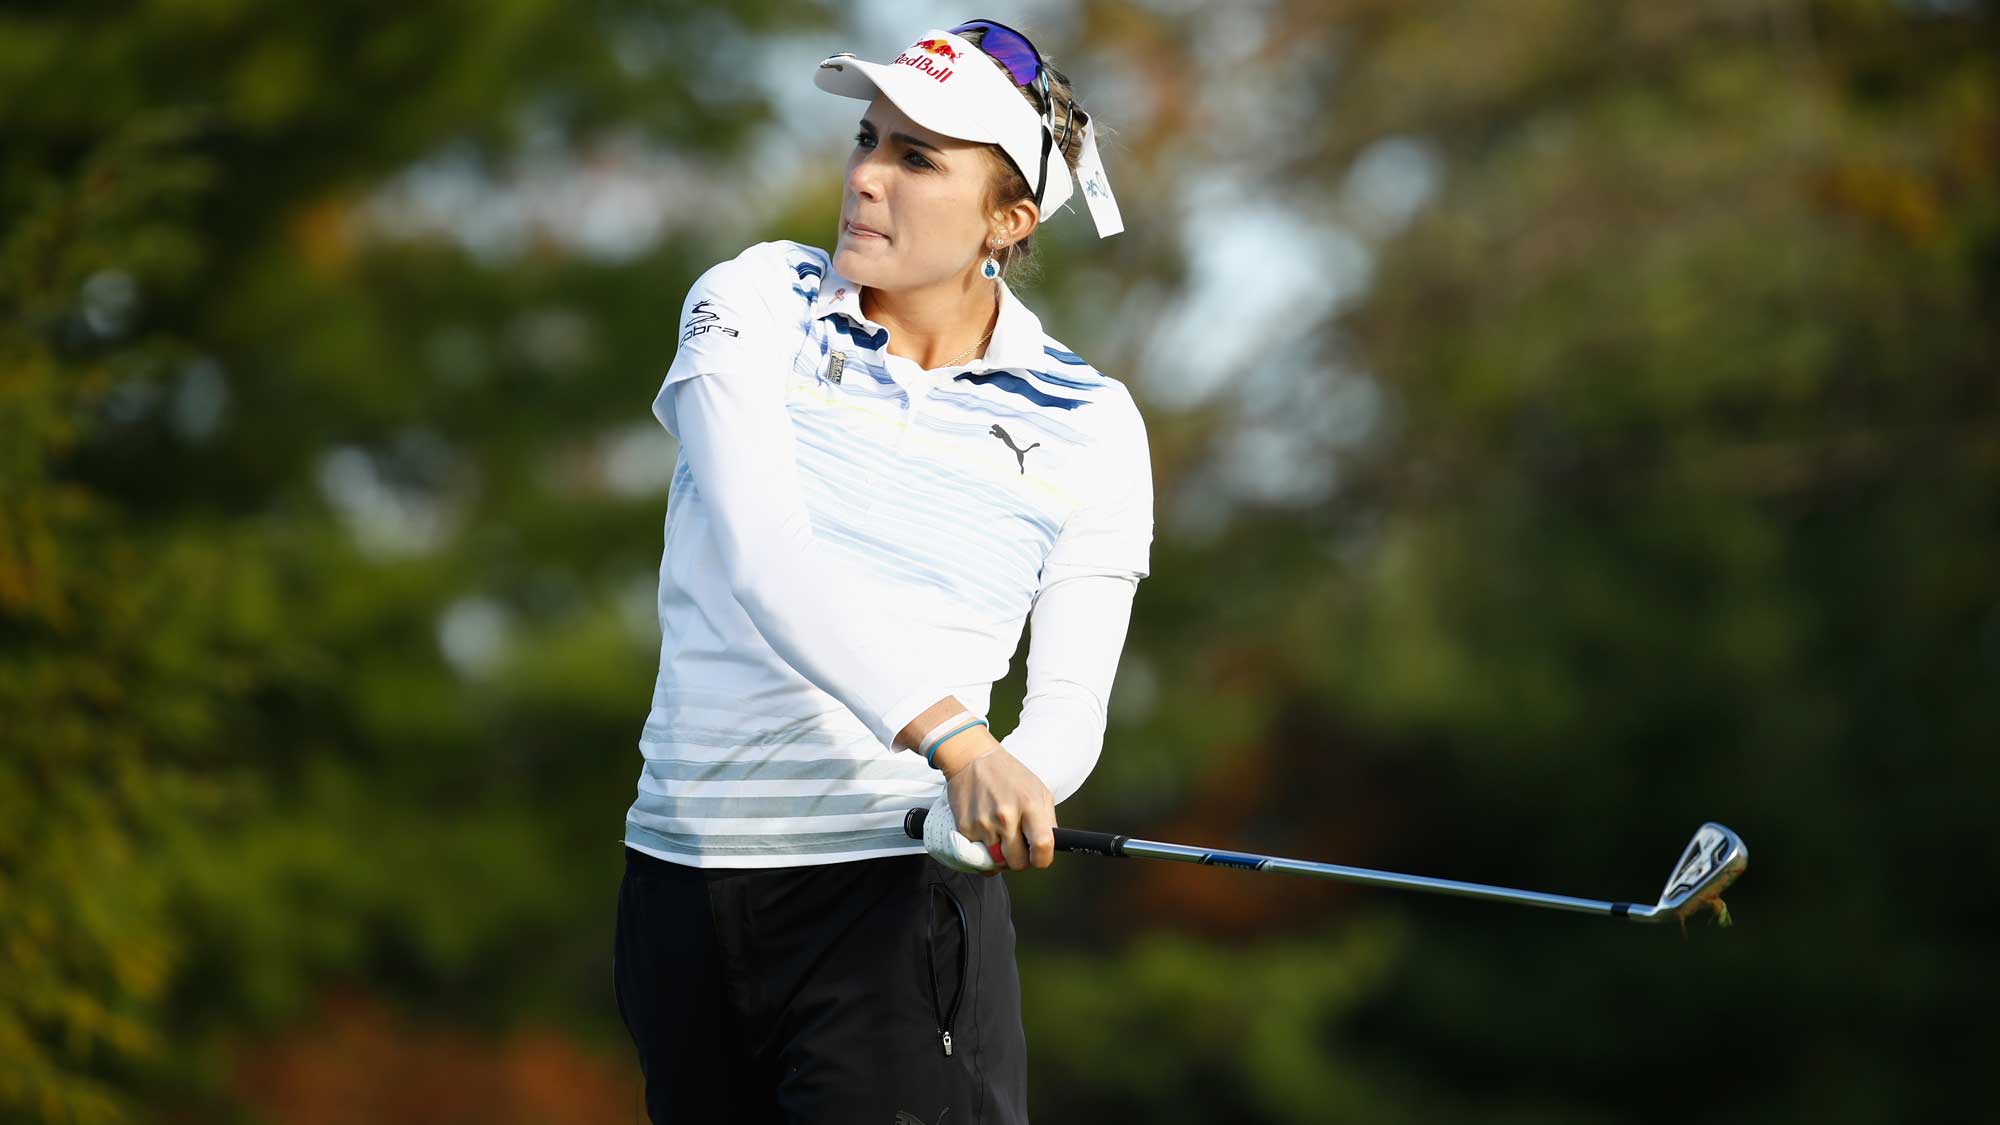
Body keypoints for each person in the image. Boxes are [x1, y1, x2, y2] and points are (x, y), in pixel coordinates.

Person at [612, 18, 1148, 1123]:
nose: (864, 179)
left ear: (1008, 219)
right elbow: (766, 557)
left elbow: (1068, 703)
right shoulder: (753, 300)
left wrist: (1012, 783)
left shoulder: (1091, 423)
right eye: (867, 140)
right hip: (678, 888)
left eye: (916, 159)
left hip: (891, 906)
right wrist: (958, 741)